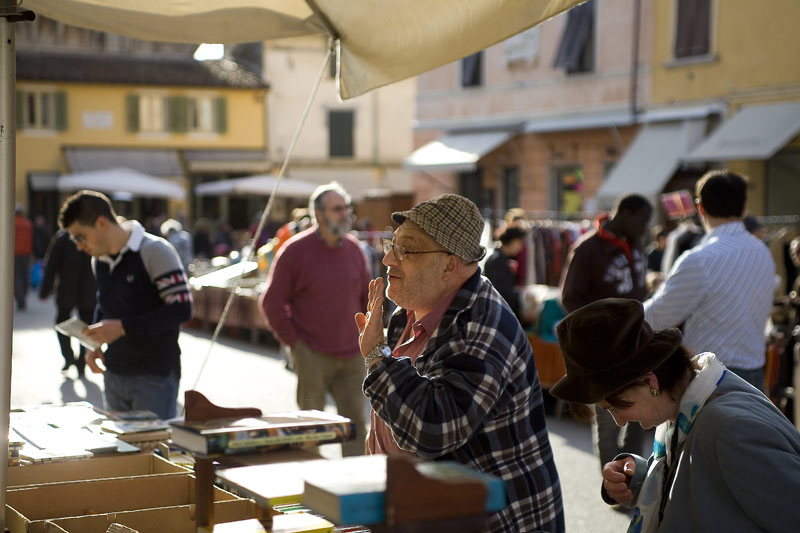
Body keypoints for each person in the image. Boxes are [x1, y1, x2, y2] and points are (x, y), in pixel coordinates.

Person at [355, 194, 564, 532]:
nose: (389, 259)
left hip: (496, 522)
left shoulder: (482, 324)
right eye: (391, 245)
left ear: (449, 264)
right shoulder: (405, 313)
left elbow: (433, 427)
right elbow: (388, 424)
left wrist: (377, 357)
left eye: (406, 250)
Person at [549, 298, 800, 532]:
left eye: (617, 407)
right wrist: (640, 478)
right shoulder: (688, 404)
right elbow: (709, 488)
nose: (620, 421)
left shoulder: (729, 427)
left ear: (650, 382)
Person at [58, 190, 192, 419]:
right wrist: (94, 342)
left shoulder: (155, 250)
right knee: (120, 452)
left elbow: (181, 310)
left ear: (101, 223)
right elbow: (106, 304)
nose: (79, 246)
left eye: (80, 236)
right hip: (114, 374)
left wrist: (122, 327)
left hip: (154, 377)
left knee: (154, 453)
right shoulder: (98, 259)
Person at [259, 182, 369, 457]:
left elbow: (368, 298)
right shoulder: (295, 251)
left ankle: (355, 489)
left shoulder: (355, 249)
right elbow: (271, 303)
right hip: (311, 352)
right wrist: (295, 344)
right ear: (319, 214)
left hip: (351, 356)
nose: (345, 214)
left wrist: (367, 340)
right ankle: (314, 491)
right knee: (311, 430)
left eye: (346, 208)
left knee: (356, 427)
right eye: (337, 209)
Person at [644, 170, 776, 391]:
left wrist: (621, 317)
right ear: (744, 207)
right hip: (754, 374)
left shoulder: (700, 259)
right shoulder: (762, 251)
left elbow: (657, 316)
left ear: (700, 207)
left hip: (710, 378)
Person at [561, 193, 653, 470]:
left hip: (636, 344)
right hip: (603, 350)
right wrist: (598, 330)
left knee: (641, 414)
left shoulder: (635, 245)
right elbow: (570, 298)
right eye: (643, 221)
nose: (646, 228)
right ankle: (615, 484)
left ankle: (634, 479)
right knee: (609, 419)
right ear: (625, 213)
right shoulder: (587, 249)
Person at [38, 229, 97, 377]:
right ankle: (79, 362)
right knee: (85, 326)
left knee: (63, 324)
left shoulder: (63, 237)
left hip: (68, 290)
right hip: (86, 290)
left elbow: (51, 264)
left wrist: (45, 290)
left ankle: (70, 357)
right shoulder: (90, 235)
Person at [484, 225, 527, 323]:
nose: (521, 247)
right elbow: (500, 291)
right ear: (514, 241)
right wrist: (520, 294)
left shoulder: (502, 258)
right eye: (520, 243)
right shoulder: (497, 260)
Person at [14, 204, 34, 311]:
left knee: (16, 277)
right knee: (25, 275)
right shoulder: (28, 224)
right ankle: (23, 297)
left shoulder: (11, 224)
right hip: (26, 253)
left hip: (15, 254)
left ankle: (20, 300)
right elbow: (33, 240)